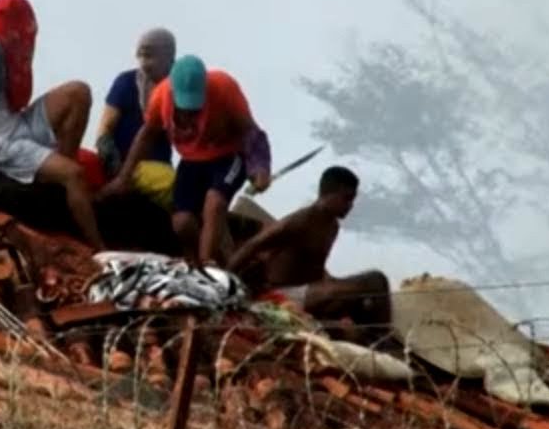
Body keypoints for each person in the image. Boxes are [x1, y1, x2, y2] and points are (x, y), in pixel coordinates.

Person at [0, 0, 105, 250]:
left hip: (15, 124)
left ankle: (62, 179)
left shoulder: (3, 49)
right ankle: (97, 246)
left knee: (78, 92)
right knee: (75, 174)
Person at [100, 54, 271, 265]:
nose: (189, 114)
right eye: (184, 108)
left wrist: (260, 167)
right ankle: (194, 262)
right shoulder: (161, 95)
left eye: (194, 108)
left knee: (214, 203)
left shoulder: (224, 87)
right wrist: (123, 177)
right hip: (192, 161)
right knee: (182, 223)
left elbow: (251, 131)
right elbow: (147, 135)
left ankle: (206, 264)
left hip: (228, 156)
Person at [225, 166, 391, 344]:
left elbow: (315, 267)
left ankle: (375, 338)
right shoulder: (301, 220)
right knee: (374, 280)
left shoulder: (332, 227)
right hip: (280, 295)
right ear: (329, 194)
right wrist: (223, 283)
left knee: (369, 295)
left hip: (310, 293)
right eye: (347, 198)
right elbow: (253, 245)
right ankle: (382, 341)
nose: (350, 206)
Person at [94, 29, 177, 208]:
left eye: (150, 56)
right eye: (141, 56)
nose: (144, 63)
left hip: (158, 169)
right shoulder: (126, 82)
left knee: (182, 189)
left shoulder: (179, 92)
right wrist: (115, 166)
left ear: (170, 59)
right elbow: (104, 129)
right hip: (119, 164)